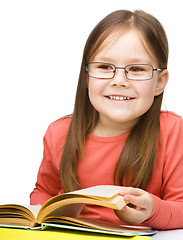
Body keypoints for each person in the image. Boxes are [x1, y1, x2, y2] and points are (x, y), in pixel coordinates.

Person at [30, 10, 183, 230]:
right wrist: (44, 212)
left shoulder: (171, 131)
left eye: (136, 69)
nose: (119, 80)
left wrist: (152, 210)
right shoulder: (59, 132)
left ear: (160, 82)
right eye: (104, 67)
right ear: (86, 76)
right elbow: (43, 190)